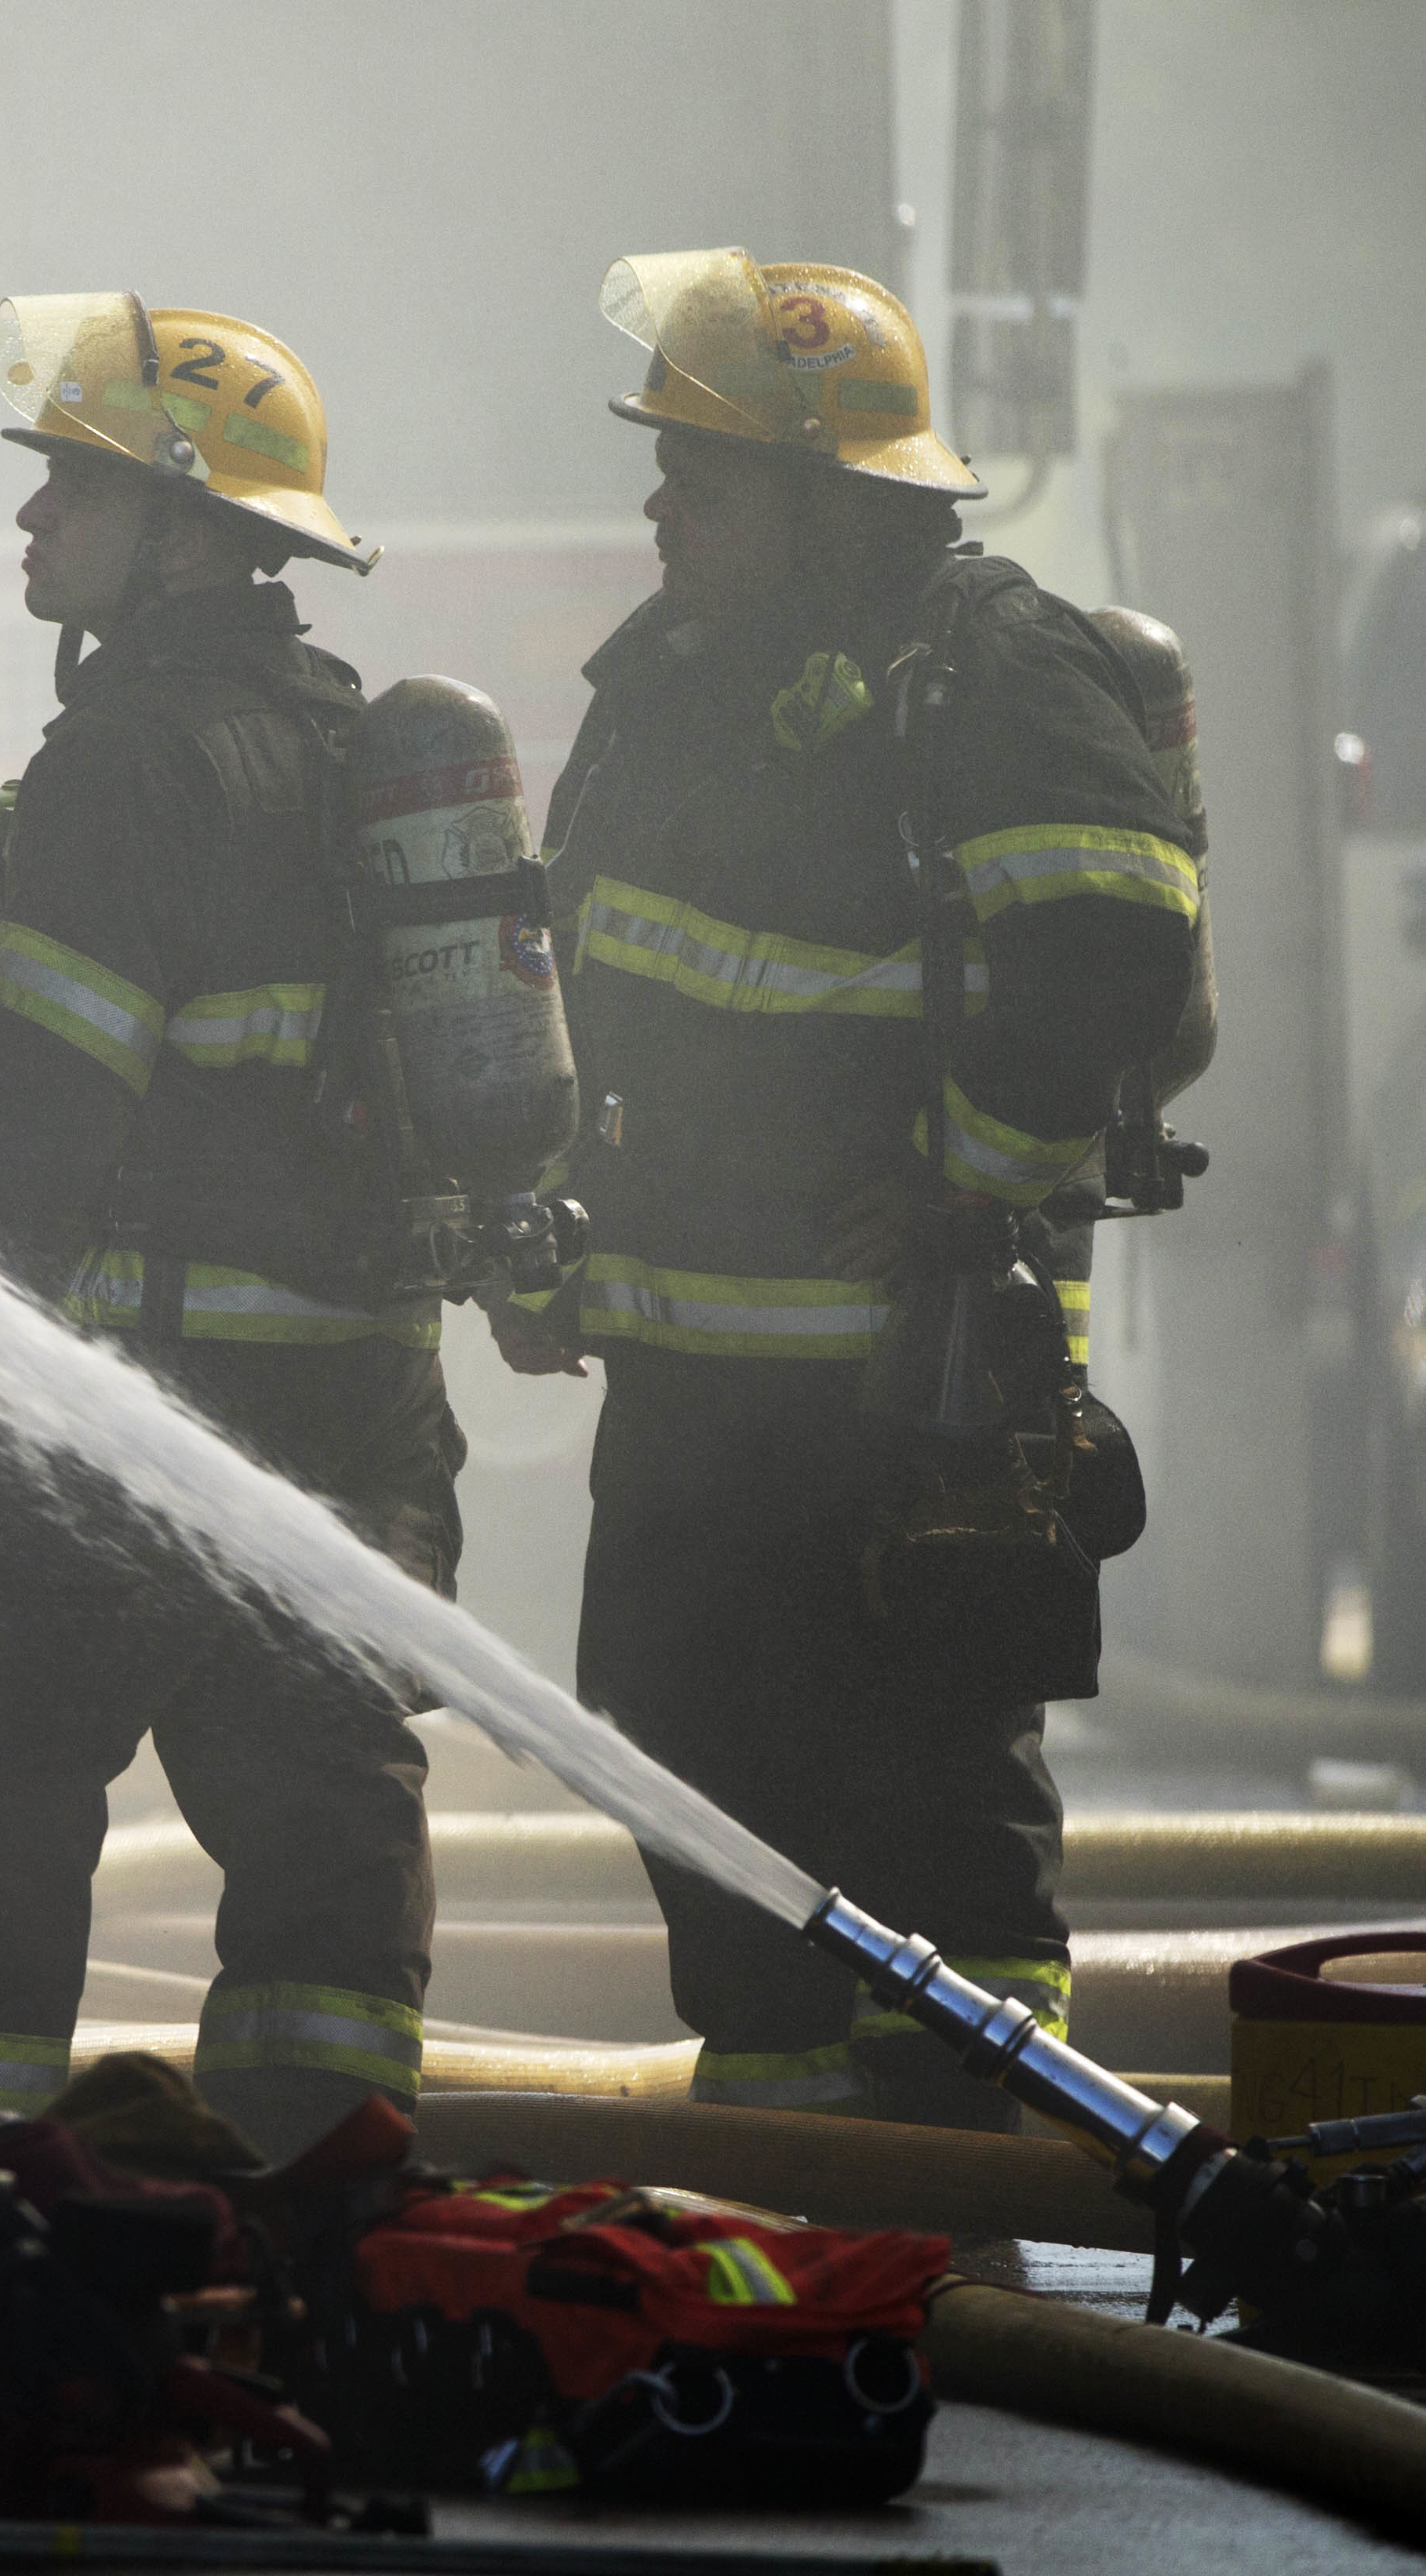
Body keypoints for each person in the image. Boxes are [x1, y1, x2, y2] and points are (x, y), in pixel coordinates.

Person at [494, 251, 1199, 2125]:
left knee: (933, 1805)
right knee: (689, 1770)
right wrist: (555, 1222)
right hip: (686, 1384)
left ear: (827, 495)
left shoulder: (994, 670)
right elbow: (588, 982)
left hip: (909, 1385)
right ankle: (794, 2183)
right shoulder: (671, 677)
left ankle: (979, 2176)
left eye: (701, 477)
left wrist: (968, 1185)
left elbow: (1116, 950)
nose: (659, 510)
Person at [0, 293, 454, 2159]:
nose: (32, 519)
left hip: (109, 1430)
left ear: (182, 527)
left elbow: (33, 1126)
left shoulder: (129, 764)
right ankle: (323, 2222)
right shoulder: (355, 750)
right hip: (351, 1423)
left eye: (73, 491)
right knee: (327, 1859)